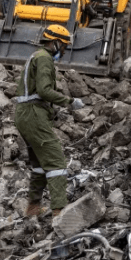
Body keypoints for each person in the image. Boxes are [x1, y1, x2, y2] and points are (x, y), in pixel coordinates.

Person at [15, 25, 85, 218]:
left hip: (24, 114)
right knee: (56, 162)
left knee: (39, 164)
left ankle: (33, 208)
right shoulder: (44, 58)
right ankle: (59, 213)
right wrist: (69, 102)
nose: (64, 51)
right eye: (63, 46)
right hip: (33, 114)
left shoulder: (36, 56)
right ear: (55, 43)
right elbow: (44, 90)